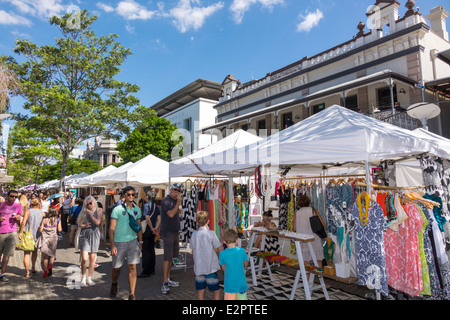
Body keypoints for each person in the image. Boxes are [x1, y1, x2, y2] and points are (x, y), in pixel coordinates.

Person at [109, 186, 143, 300]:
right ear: (124, 195)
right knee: (116, 268)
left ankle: (132, 294)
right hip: (119, 243)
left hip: (133, 242)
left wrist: (141, 241)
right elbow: (111, 228)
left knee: (132, 267)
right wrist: (112, 244)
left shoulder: (137, 209)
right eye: (129, 194)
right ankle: (114, 283)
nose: (131, 196)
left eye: (133, 194)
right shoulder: (117, 209)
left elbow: (139, 227)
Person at [190, 211, 221, 300]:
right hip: (210, 267)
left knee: (201, 290)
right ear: (208, 221)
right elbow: (216, 248)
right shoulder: (211, 233)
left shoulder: (194, 234)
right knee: (216, 290)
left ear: (197, 222)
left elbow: (193, 250)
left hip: (199, 268)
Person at [160, 183, 183, 294]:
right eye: (175, 189)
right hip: (168, 232)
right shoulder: (166, 201)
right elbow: (170, 214)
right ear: (170, 190)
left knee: (171, 258)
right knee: (167, 258)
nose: (177, 192)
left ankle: (168, 279)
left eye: (178, 190)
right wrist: (178, 203)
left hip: (174, 232)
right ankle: (164, 283)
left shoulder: (173, 201)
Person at [78, 196, 103, 287]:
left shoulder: (99, 210)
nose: (89, 205)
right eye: (87, 204)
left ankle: (89, 278)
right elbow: (78, 223)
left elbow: (97, 222)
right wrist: (84, 225)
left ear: (94, 202)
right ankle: (83, 277)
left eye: (90, 203)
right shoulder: (83, 211)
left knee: (92, 258)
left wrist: (91, 215)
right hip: (84, 235)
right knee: (84, 258)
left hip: (95, 235)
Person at [219, 228, 249, 300]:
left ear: (224, 242)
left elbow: (223, 269)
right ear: (237, 240)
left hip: (229, 286)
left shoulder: (222, 254)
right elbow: (246, 264)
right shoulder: (241, 251)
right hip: (241, 285)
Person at [18, 198, 44, 278]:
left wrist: (20, 232)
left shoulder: (28, 211)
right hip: (37, 235)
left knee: (27, 253)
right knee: (35, 252)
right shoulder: (42, 213)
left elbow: (23, 222)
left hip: (28, 234)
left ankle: (27, 273)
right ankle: (33, 267)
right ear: (39, 204)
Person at [0, 190, 23, 282]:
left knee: (7, 254)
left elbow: (19, 216)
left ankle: (2, 274)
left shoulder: (18, 206)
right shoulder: (1, 205)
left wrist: (18, 218)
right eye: (12, 196)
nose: (14, 198)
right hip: (1, 232)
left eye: (16, 197)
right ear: (7, 196)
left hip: (12, 232)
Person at [138, 190, 161, 278]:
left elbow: (147, 218)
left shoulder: (146, 205)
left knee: (146, 250)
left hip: (146, 230)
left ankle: (146, 271)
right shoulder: (156, 205)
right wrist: (156, 228)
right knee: (151, 249)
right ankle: (152, 269)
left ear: (147, 197)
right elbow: (159, 218)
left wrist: (151, 228)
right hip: (153, 230)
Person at [35, 207, 62, 278]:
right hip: (53, 239)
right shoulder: (57, 220)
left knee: (45, 256)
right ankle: (50, 266)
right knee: (52, 254)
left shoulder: (44, 220)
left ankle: (45, 271)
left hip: (44, 239)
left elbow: (40, 230)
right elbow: (59, 230)